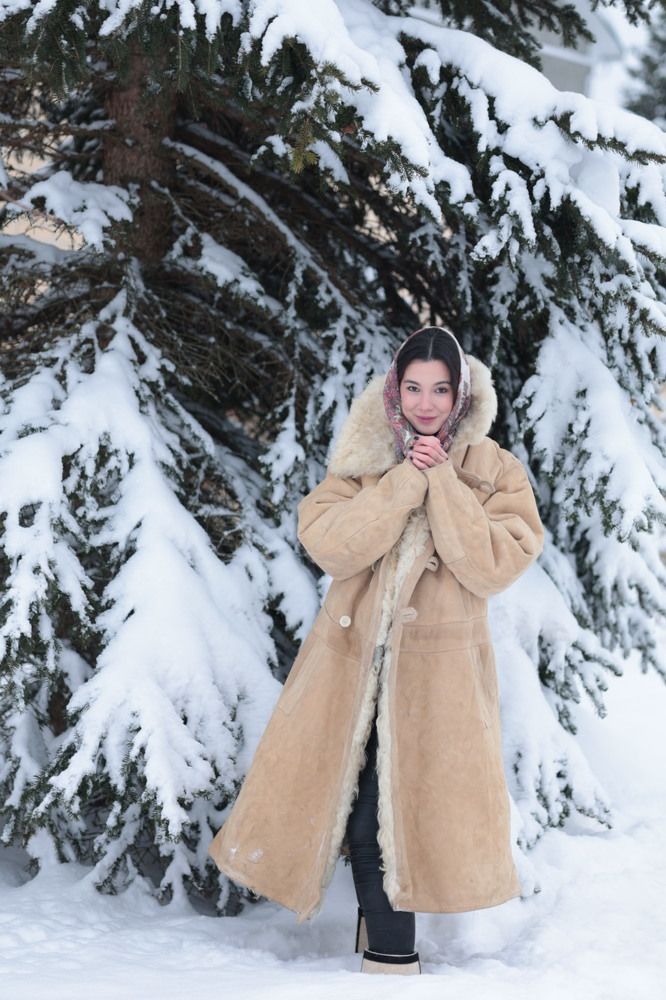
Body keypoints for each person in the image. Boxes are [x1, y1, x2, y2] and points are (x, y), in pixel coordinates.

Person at [208, 326, 545, 976]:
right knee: (356, 820)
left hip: (437, 685)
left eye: (440, 389)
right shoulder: (363, 458)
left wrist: (442, 480)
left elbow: (494, 564)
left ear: (461, 394)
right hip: (350, 675)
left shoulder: (493, 468)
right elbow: (332, 546)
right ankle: (386, 952)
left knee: (393, 824)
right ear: (395, 391)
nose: (426, 403)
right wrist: (401, 483)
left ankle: (391, 965)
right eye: (414, 388)